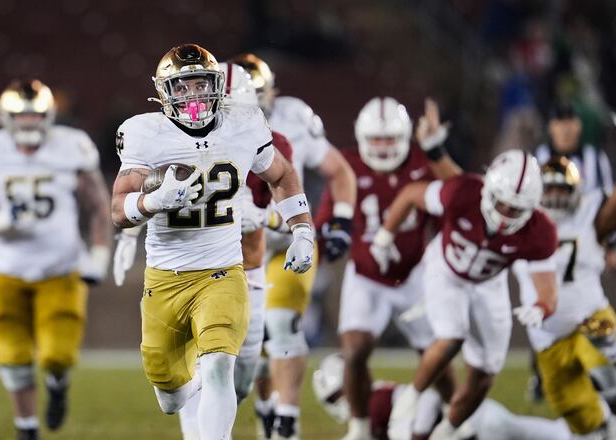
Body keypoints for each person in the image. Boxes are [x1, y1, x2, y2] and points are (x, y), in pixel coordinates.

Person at [110, 44, 314, 440]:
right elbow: (118, 210)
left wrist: (301, 228)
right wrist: (154, 200)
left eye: (201, 84)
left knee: (221, 365)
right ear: (164, 92)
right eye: (183, 87)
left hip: (222, 270)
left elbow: (281, 174)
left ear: (218, 85)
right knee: (169, 398)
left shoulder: (244, 123)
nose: (194, 95)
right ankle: (193, 375)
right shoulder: (143, 133)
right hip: (166, 276)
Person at [374, 149, 559, 439]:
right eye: (502, 202)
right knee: (452, 335)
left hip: (489, 284)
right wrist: (384, 237)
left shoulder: (541, 232)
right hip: (445, 270)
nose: (505, 214)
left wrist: (542, 306)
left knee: (486, 374)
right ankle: (409, 400)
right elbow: (411, 194)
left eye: (516, 209)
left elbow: (548, 289)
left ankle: (448, 431)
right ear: (489, 189)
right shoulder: (463, 192)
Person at [0, 79, 112, 440]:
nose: (29, 122)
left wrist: (99, 256)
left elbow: (98, 207)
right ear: (5, 117)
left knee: (58, 355)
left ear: (49, 115)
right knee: (13, 356)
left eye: (35, 114)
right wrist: (1, 221)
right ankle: (27, 428)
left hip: (60, 267)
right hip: (5, 267)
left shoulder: (71, 146)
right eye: (21, 115)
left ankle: (58, 383)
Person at [313, 97, 460, 440]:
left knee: (436, 353)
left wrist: (437, 151)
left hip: (415, 274)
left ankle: (458, 418)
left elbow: (461, 196)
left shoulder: (424, 161)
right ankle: (360, 427)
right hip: (366, 276)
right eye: (376, 139)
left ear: (406, 138)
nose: (382, 147)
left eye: (389, 139)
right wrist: (317, 245)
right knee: (354, 351)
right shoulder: (345, 164)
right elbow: (325, 219)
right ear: (362, 138)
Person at [231, 52, 357, 440]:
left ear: (273, 91)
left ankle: (287, 419)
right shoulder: (212, 126)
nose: (252, 101)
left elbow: (338, 170)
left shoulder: (292, 119)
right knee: (249, 342)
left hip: (289, 239)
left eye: (258, 92)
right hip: (240, 244)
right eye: (243, 93)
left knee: (282, 326)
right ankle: (267, 404)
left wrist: (342, 220)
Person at [514, 94, 616, 439]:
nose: (556, 197)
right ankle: (615, 426)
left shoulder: (589, 212)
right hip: (547, 339)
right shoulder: (520, 218)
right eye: (550, 190)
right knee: (577, 416)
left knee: (608, 372)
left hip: (588, 316)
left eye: (563, 190)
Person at [312, 353, 577, 440]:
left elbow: (428, 397)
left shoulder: (377, 401)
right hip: (474, 419)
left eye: (339, 394)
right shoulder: (379, 397)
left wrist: (422, 432)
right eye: (335, 397)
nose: (340, 402)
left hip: (473, 424)